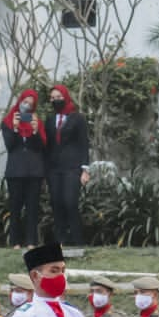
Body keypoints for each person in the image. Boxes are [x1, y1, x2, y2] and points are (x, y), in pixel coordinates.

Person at [43, 84, 90, 246]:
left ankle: (78, 240)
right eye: (53, 98)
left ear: (66, 97)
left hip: (72, 167)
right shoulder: (49, 120)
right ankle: (60, 241)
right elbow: (46, 145)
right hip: (54, 169)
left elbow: (84, 144)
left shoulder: (77, 118)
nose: (56, 100)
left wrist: (85, 169)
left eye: (59, 97)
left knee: (70, 202)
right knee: (56, 203)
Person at [1, 89, 47, 249]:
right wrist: (14, 128)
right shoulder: (7, 122)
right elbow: (10, 146)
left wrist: (35, 131)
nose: (26, 106)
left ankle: (31, 241)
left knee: (32, 207)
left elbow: (40, 146)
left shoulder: (37, 123)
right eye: (24, 102)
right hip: (15, 172)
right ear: (19, 101)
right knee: (15, 207)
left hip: (34, 172)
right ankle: (15, 242)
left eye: (30, 104)